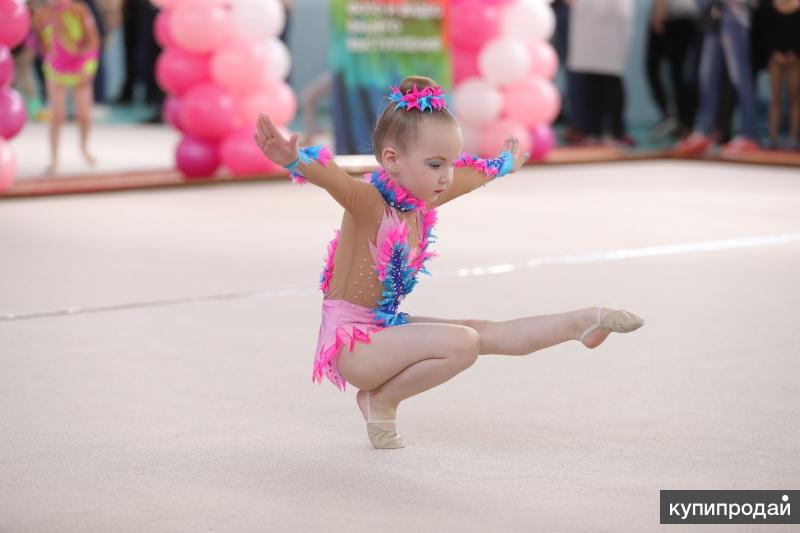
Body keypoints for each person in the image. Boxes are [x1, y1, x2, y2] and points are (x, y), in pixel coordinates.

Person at [253, 76, 646, 449]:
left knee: (479, 331)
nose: (446, 176)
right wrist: (295, 161)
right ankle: (382, 401)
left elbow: (474, 176)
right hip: (354, 345)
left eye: (451, 163)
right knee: (464, 342)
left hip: (382, 328)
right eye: (436, 164)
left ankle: (581, 322)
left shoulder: (422, 200)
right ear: (391, 160)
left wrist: (505, 163)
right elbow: (336, 180)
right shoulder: (370, 203)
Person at [674, 0, 759, 157]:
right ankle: (705, 131)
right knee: (707, 77)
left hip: (734, 16)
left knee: (740, 77)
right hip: (713, 17)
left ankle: (748, 134)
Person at [32, 0, 101, 174]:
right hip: (56, 68)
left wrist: (89, 67)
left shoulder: (79, 11)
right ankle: (54, 157)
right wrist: (48, 52)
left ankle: (84, 147)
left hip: (80, 65)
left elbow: (93, 41)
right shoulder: (41, 15)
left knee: (84, 113)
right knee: (57, 114)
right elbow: (39, 44)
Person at [645, 0, 700, 139]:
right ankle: (685, 123)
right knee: (679, 72)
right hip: (687, 14)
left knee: (655, 68)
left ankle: (672, 118)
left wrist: (659, 13)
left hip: (671, 14)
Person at [762, 0, 800, 149]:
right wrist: (775, 53)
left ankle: (793, 136)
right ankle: (772, 136)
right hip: (775, 57)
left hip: (795, 58)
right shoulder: (770, 7)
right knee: (775, 98)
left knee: (795, 98)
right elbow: (767, 33)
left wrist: (795, 53)